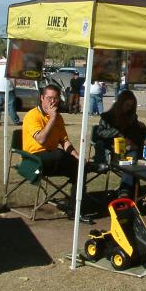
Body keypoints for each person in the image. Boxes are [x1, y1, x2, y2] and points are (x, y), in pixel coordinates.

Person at [22, 84, 92, 222]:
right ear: (42, 98)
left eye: (55, 98)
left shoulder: (58, 117)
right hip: (33, 160)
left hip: (53, 158)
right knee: (59, 154)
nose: (52, 101)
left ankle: (75, 210)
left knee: (80, 168)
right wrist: (52, 118)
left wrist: (77, 156)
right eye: (49, 98)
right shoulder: (32, 116)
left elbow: (64, 141)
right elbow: (41, 139)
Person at [96, 90, 146, 198]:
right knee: (131, 162)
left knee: (132, 158)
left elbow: (135, 134)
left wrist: (140, 131)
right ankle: (128, 192)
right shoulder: (107, 116)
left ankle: (126, 192)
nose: (129, 108)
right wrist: (117, 132)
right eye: (127, 105)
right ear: (120, 103)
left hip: (128, 150)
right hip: (111, 151)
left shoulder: (131, 117)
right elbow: (100, 133)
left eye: (131, 106)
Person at [0, 53, 21, 126]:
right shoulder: (10, 63)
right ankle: (16, 120)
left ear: (2, 55)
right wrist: (14, 86)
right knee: (11, 104)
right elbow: (12, 76)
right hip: (8, 86)